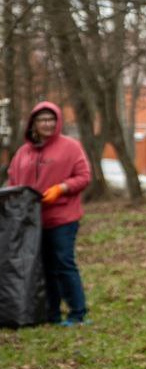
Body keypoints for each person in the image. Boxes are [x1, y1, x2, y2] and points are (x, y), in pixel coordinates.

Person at [5, 102, 92, 325]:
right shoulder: (23, 152)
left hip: (62, 216)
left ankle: (78, 313)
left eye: (51, 119)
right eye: (42, 120)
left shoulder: (70, 147)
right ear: (33, 123)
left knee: (63, 263)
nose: (47, 124)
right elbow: (13, 182)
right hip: (31, 221)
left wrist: (61, 188)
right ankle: (51, 313)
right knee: (43, 268)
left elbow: (83, 177)